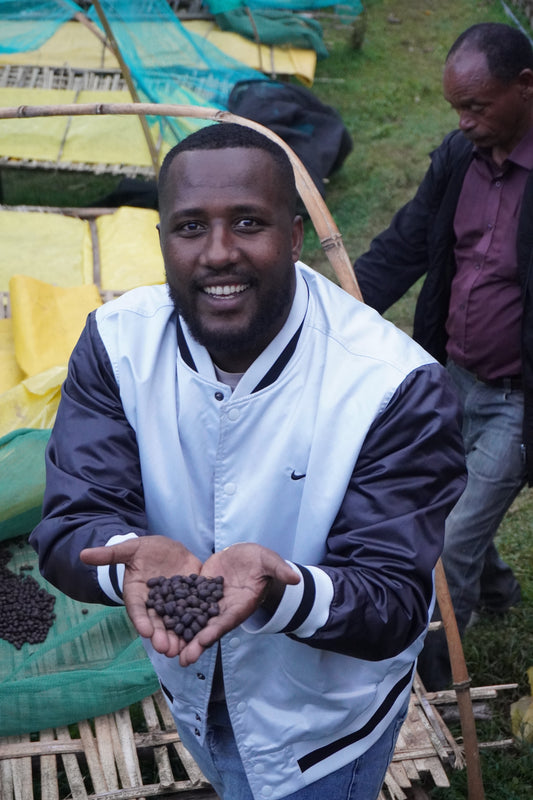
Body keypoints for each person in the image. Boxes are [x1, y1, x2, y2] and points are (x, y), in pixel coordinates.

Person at [30, 122, 465, 800]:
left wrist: (277, 586)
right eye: (190, 227)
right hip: (193, 696)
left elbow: (392, 602)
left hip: (323, 732)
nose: (218, 253)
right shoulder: (116, 344)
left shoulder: (391, 385)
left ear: (294, 237)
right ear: (162, 242)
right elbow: (73, 517)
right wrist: (128, 562)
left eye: (247, 222)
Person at [353, 22, 533, 691]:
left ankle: (428, 686)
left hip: (518, 399)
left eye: (476, 108)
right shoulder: (457, 159)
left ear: (524, 87)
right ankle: (497, 593)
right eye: (456, 108)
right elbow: (404, 245)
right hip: (450, 374)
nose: (462, 122)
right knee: (432, 498)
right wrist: (336, 308)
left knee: (444, 542)